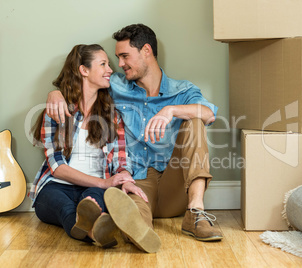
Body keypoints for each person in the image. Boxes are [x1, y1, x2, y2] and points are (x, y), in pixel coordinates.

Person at [46, 24, 223, 253]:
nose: (119, 64)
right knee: (131, 212)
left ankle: (196, 213)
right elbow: (83, 85)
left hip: (175, 183)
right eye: (117, 58)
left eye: (124, 56)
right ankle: (136, 230)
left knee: (195, 120)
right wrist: (56, 92)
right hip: (138, 182)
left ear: (146, 51)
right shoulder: (116, 85)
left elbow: (209, 114)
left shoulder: (182, 90)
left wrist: (171, 111)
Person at [29, 44, 136, 248]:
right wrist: (104, 183)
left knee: (92, 201)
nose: (110, 70)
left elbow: (121, 158)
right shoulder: (56, 111)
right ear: (84, 70)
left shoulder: (112, 116)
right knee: (65, 208)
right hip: (55, 187)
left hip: (95, 188)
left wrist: (124, 178)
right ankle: (96, 231)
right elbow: (57, 167)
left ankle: (92, 230)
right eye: (103, 64)